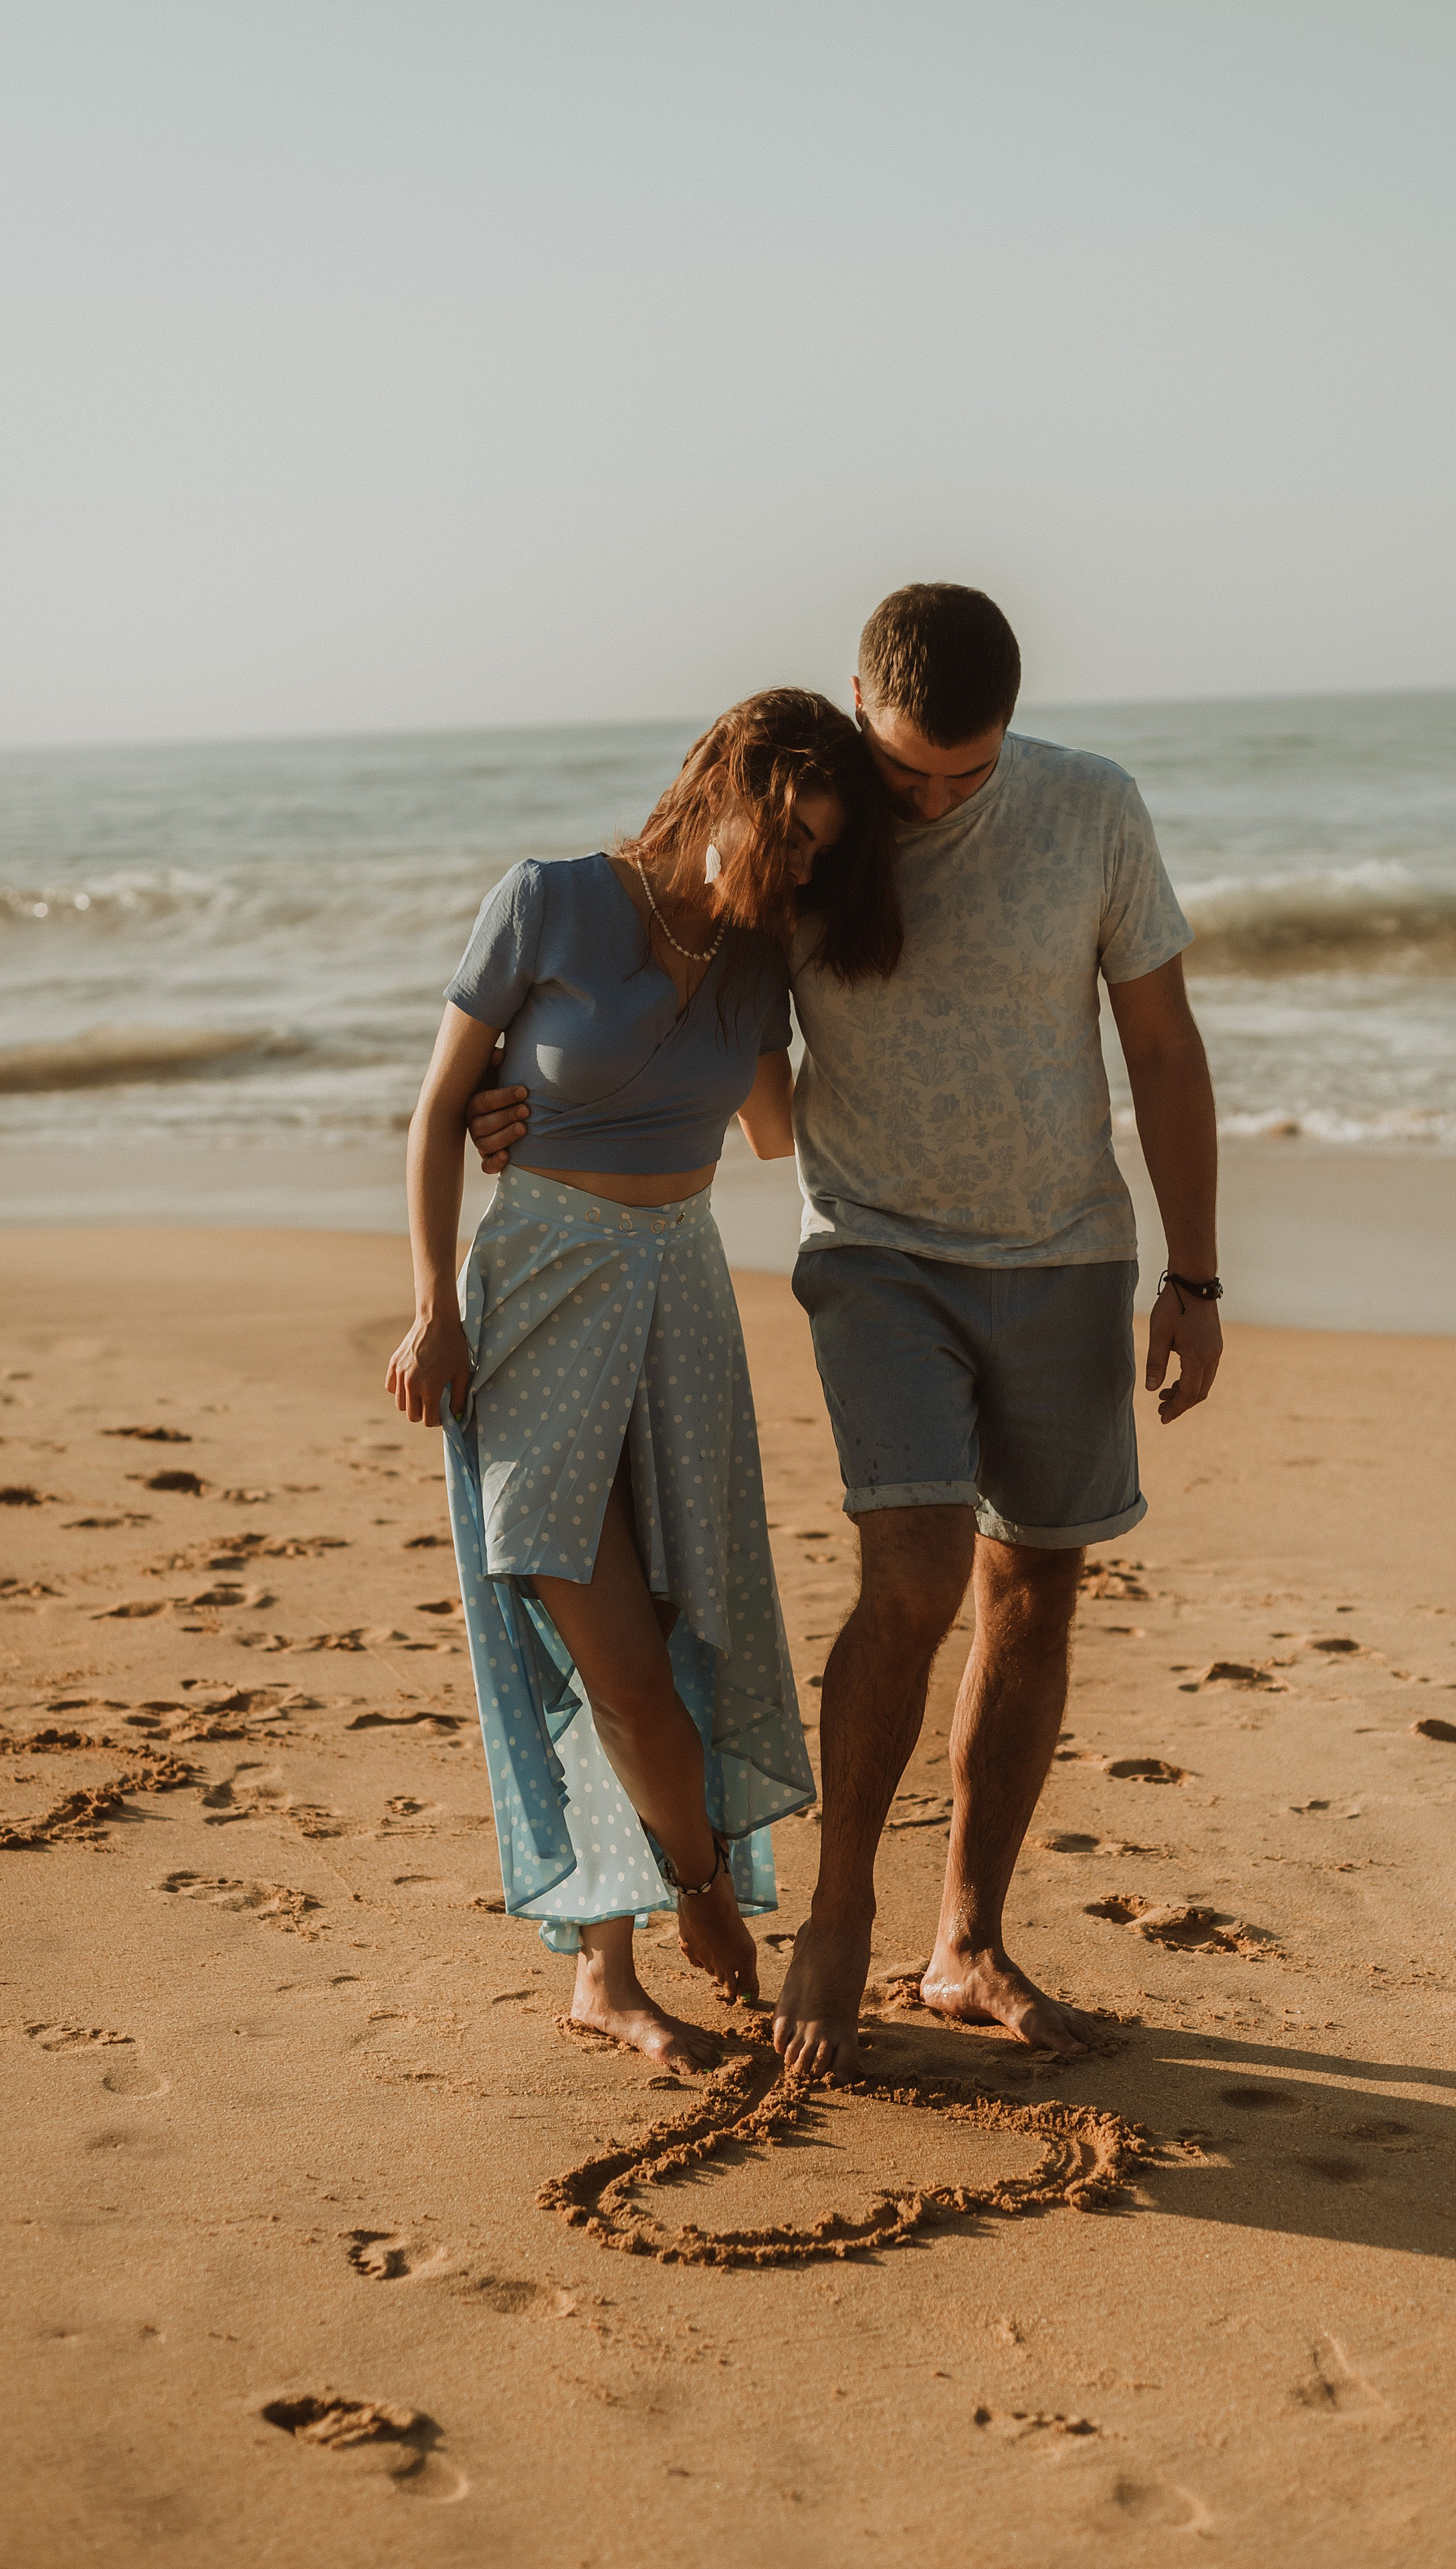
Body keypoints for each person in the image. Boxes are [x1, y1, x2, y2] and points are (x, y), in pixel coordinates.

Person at [470, 585, 1223, 2084]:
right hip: (875, 1254)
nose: (932, 801)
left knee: (1035, 1592)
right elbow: (661, 974)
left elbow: (1157, 1042)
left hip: (1066, 1252)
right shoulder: (811, 842)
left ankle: (964, 1942)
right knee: (917, 1574)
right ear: (856, 717)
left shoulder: (1091, 809)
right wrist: (532, 1110)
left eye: (968, 771)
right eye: (907, 773)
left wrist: (1190, 1277)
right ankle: (837, 1914)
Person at [388, 688, 900, 2073]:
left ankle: (605, 1982)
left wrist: (825, 981)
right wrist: (433, 1306)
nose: (794, 866)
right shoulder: (547, 901)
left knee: (680, 1621)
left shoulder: (763, 954)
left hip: (679, 1290)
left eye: (816, 852)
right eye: (786, 834)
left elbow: (781, 1132)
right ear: (720, 784)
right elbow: (440, 1114)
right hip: (540, 1286)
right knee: (610, 1663)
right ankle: (692, 1892)